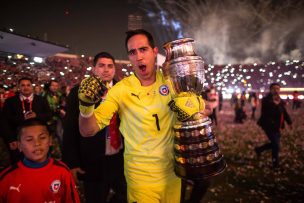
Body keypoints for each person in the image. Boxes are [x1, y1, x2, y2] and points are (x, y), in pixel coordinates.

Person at [77, 29, 204, 202]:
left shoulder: (172, 81)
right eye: (132, 52)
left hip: (173, 174)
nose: (138, 57)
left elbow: (198, 106)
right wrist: (86, 107)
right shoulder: (120, 90)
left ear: (154, 52)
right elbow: (88, 130)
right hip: (140, 179)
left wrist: (191, 105)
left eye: (143, 49)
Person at [62, 52, 126, 203]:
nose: (106, 70)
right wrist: (72, 162)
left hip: (121, 157)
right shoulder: (79, 92)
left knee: (126, 196)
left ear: (114, 69)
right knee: (95, 198)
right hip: (92, 159)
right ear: (94, 68)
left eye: (110, 66)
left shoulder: (123, 90)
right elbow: (70, 129)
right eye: (101, 65)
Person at [0, 118, 80, 203]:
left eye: (42, 137)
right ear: (19, 146)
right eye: (29, 139)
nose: (37, 143)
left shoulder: (63, 172)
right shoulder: (6, 178)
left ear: (50, 141)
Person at [1, 77, 52, 164]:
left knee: (39, 161)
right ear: (18, 87)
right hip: (18, 139)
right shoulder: (10, 101)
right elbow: (4, 121)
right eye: (23, 85)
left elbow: (49, 115)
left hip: (37, 139)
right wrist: (10, 139)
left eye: (28, 85)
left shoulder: (41, 100)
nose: (26, 87)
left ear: (32, 87)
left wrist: (37, 116)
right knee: (18, 162)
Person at [255, 83, 292, 169]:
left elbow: (284, 113)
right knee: (276, 145)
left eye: (277, 89)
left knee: (275, 144)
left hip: (278, 126)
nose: (276, 90)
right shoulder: (266, 100)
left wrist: (289, 122)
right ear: (270, 90)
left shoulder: (280, 101)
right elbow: (266, 113)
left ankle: (259, 149)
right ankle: (275, 164)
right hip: (268, 126)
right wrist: (275, 104)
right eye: (274, 88)